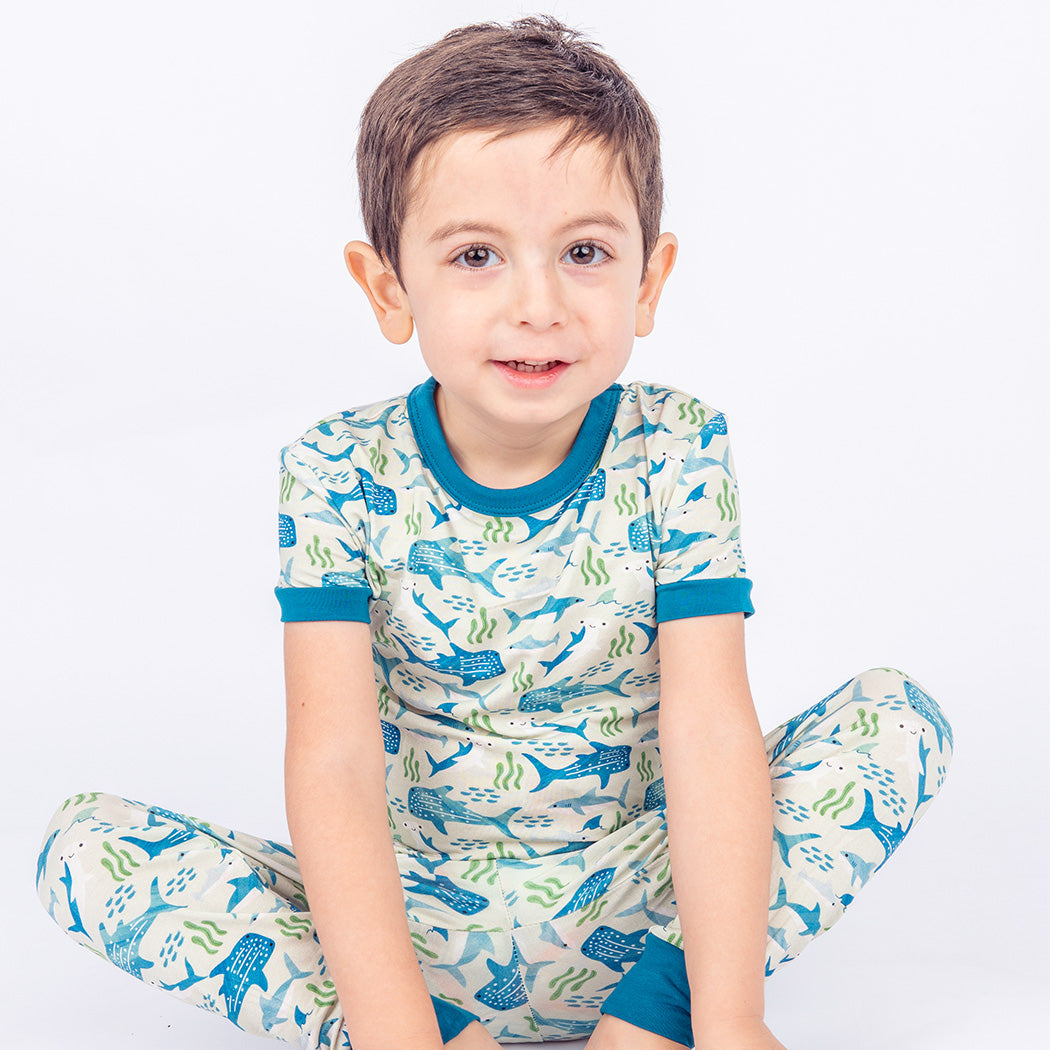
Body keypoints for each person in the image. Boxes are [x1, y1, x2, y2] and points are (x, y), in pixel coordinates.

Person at [36, 16, 954, 1050]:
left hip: (646, 906)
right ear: (389, 288)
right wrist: (396, 1025)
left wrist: (727, 1013)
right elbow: (332, 761)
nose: (539, 304)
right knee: (82, 848)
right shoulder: (338, 469)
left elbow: (707, 728)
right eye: (477, 254)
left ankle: (651, 1027)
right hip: (409, 934)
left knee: (896, 719)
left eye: (585, 253)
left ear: (647, 281)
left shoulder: (678, 445)